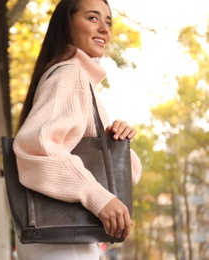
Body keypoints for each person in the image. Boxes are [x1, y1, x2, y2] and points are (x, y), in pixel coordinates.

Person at [12, 0, 143, 259]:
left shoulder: (75, 80)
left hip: (63, 238)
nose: (105, 29)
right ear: (67, 24)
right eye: (93, 18)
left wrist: (115, 142)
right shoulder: (70, 77)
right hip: (62, 243)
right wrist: (97, 196)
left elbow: (130, 175)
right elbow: (36, 148)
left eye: (108, 21)